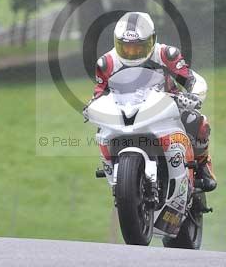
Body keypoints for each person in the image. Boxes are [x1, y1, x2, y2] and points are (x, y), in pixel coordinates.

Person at [86, 11, 217, 191]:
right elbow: (100, 92)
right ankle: (112, 169)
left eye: (138, 47)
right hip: (126, 109)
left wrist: (193, 96)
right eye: (126, 47)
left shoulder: (166, 55)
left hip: (166, 107)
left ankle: (203, 165)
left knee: (196, 120)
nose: (132, 53)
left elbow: (192, 80)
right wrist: (92, 107)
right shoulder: (106, 63)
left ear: (152, 39)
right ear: (116, 43)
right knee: (102, 128)